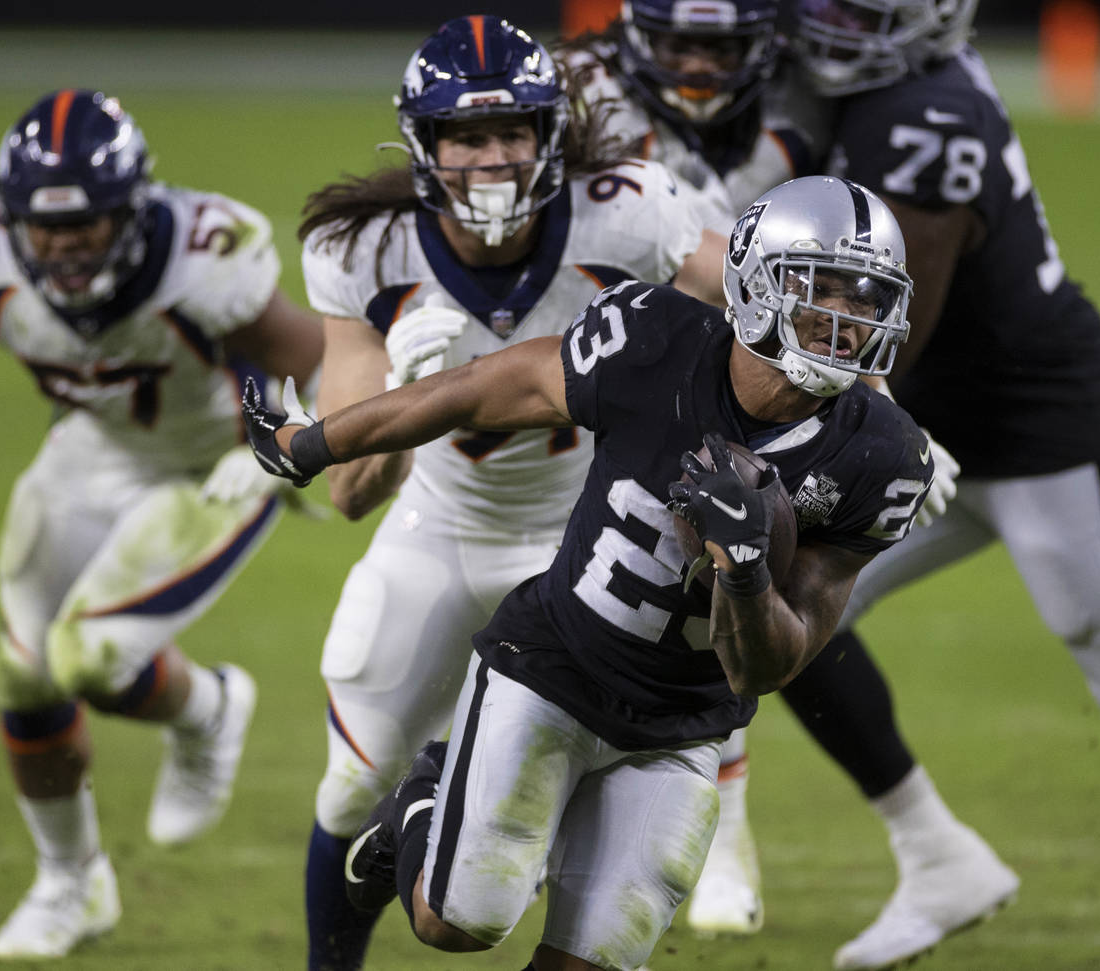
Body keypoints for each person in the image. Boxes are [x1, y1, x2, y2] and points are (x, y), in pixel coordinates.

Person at [245, 174, 935, 971]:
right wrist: (315, 442)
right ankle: (421, 803)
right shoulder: (653, 339)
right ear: (755, 283)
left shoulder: (883, 456)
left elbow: (769, 662)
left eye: (868, 299)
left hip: (685, 726)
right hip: (553, 667)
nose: (849, 325)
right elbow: (479, 388)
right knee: (456, 920)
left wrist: (745, 571)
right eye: (824, 294)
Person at [294, 16, 728, 971]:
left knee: (547, 817)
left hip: (585, 541)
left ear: (549, 137)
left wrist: (875, 402)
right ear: (425, 145)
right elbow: (350, 496)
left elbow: (769, 305)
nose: (491, 158)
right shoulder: (362, 251)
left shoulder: (630, 212)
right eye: (465, 136)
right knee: (347, 786)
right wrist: (406, 399)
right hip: (438, 527)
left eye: (512, 133)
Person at [763, 2, 1100, 967]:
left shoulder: (922, 113)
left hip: (1048, 429)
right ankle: (938, 855)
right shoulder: (868, 82)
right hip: (931, 426)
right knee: (781, 614)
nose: (833, 25)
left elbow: (889, 329)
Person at [0, 89, 323, 960]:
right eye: (47, 229)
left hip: (212, 465)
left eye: (89, 227)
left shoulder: (202, 258)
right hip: (90, 454)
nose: (66, 249)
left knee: (92, 656)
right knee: (23, 679)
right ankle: (71, 882)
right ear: (13, 220)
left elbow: (325, 357)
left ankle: (209, 708)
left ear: (134, 213)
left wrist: (287, 444)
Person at [560, 0, 830, 934]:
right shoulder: (578, 94)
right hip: (602, 363)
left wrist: (878, 407)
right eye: (679, 40)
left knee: (733, 572)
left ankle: (724, 826)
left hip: (751, 378)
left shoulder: (807, 109)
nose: (699, 64)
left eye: (720, 44)